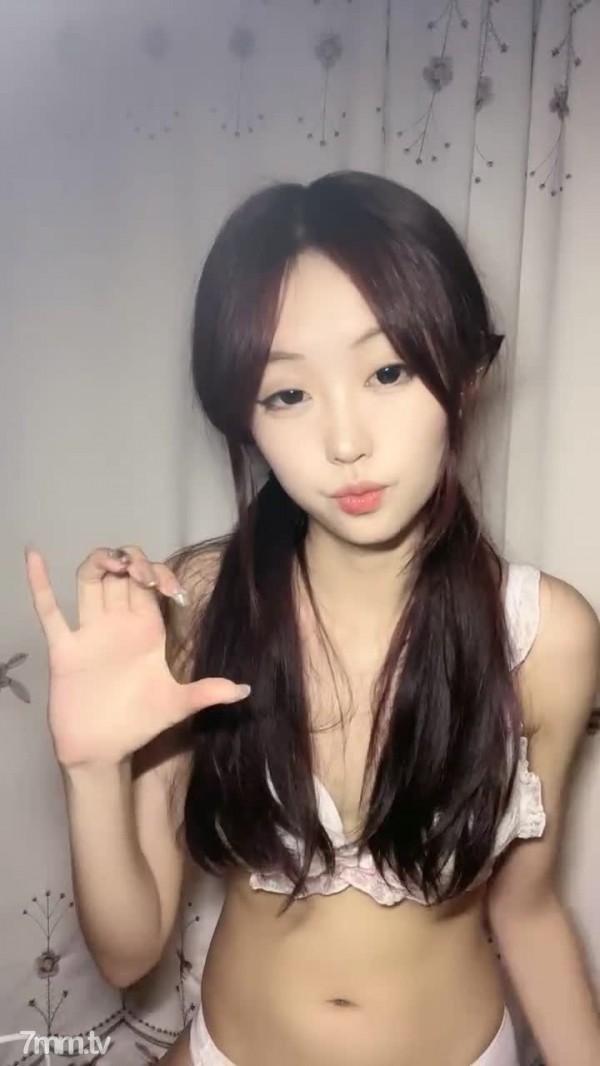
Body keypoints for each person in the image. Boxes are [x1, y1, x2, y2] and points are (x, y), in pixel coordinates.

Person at [25, 171, 600, 1066]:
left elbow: (526, 911)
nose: (344, 442)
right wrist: (93, 770)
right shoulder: (202, 603)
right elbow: (129, 953)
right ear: (245, 417)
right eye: (286, 393)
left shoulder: (543, 637)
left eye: (388, 371)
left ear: (463, 373)